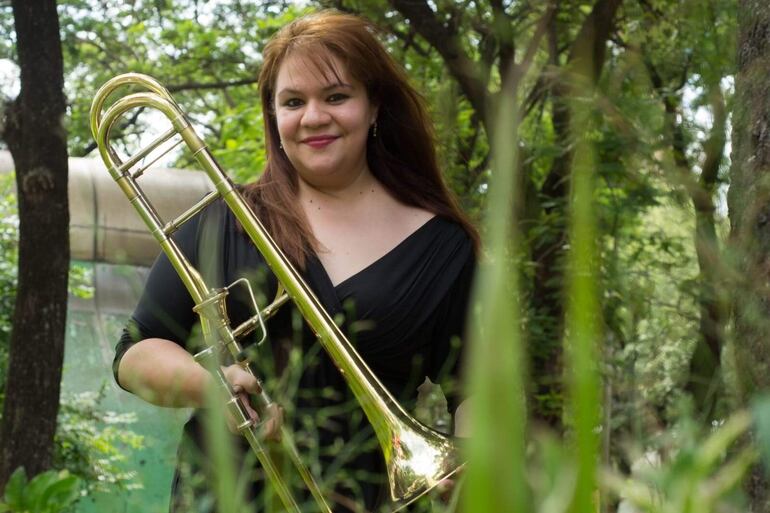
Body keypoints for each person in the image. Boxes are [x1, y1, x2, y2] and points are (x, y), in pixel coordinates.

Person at [113, 10, 479, 513]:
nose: (313, 117)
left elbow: (478, 389)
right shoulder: (224, 221)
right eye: (293, 101)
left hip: (373, 497)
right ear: (274, 116)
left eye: (335, 96)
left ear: (374, 107)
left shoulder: (443, 247)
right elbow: (135, 353)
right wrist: (210, 385)